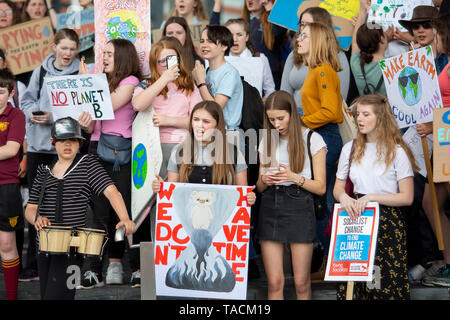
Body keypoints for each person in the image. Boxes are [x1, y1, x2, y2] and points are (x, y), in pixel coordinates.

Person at [24, 117, 134, 300]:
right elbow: (30, 208)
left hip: (71, 248)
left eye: (73, 140)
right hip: (43, 246)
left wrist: (124, 218)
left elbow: (112, 191)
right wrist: (36, 218)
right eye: (62, 140)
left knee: (60, 296)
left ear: (79, 143)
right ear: (53, 142)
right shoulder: (44, 171)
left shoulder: (88, 164)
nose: (67, 144)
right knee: (46, 296)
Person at [333, 94, 416, 299]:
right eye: (357, 114)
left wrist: (370, 197)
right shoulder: (349, 149)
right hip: (357, 219)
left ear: (380, 117)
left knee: (381, 284)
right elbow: (338, 188)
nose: (359, 119)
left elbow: (407, 197)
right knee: (355, 284)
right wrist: (343, 198)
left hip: (387, 223)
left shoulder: (397, 152)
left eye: (365, 114)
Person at [77, 38, 142, 289]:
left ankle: (137, 267)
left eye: (110, 53)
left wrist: (86, 83)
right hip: (96, 149)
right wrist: (85, 124)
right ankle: (93, 270)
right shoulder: (100, 82)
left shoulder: (131, 82)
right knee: (97, 213)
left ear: (123, 58)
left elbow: (107, 105)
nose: (103, 57)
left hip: (121, 154)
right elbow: (92, 122)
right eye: (103, 53)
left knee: (125, 210)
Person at [20, 28, 81, 282]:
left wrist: (52, 118)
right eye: (63, 48)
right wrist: (34, 112)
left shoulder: (80, 72)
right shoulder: (41, 71)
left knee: (66, 207)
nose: (67, 53)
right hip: (37, 149)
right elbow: (26, 101)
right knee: (36, 205)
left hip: (65, 151)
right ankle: (34, 262)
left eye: (72, 48)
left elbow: (82, 108)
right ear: (53, 47)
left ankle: (65, 258)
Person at [256, 91, 326, 300]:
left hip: (299, 204)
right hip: (270, 204)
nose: (276, 124)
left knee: (301, 283)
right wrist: (264, 180)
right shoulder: (267, 140)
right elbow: (259, 187)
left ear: (292, 113)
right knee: (275, 282)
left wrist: (292, 176)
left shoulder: (313, 138)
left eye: (280, 118)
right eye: (271, 119)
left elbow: (321, 187)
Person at [151, 100, 255, 205]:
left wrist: (249, 197)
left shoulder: (234, 153)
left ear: (217, 125)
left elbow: (242, 193)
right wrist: (162, 187)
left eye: (206, 121)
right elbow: (172, 193)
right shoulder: (179, 151)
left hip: (223, 217)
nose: (199, 125)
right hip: (186, 218)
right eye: (196, 120)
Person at [296, 22, 343, 255]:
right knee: (324, 200)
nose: (298, 39)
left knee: (320, 201)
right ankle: (328, 257)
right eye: (299, 35)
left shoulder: (323, 70)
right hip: (321, 136)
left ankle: (329, 255)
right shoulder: (317, 70)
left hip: (325, 137)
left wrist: (300, 122)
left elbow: (330, 112)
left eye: (304, 36)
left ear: (317, 42)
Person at [132, 38, 202, 180]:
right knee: (156, 194)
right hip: (152, 145)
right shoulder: (146, 84)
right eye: (161, 61)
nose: (166, 65)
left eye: (171, 59)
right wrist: (164, 80)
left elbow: (198, 121)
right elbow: (137, 105)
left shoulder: (189, 85)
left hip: (183, 145)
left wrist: (167, 120)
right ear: (154, 63)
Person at [414, 13, 450, 287]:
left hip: (446, 141)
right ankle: (447, 264)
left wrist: (433, 125)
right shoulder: (445, 63)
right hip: (441, 142)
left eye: (436, 32)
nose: (433, 36)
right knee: (430, 202)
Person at [280, 6, 350, 114]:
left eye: (308, 24)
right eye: (301, 24)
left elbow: (340, 99)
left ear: (320, 27)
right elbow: (284, 95)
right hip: (293, 118)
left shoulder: (337, 56)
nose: (302, 28)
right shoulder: (294, 54)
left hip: (322, 121)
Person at [191, 25, 244, 155]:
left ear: (224, 46)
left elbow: (215, 108)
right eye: (202, 41)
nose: (204, 45)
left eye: (210, 41)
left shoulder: (229, 73)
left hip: (228, 134)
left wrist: (200, 83)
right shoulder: (207, 71)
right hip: (210, 133)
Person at [0, 68, 26, 300]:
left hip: (6, 186)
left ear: (10, 92)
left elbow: (11, 149)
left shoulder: (16, 115)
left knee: (7, 244)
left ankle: (11, 296)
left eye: (0, 91)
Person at [224, 18, 275, 100]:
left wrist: (261, 103)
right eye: (230, 35)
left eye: (239, 35)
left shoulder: (260, 59)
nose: (234, 39)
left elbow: (270, 90)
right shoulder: (220, 60)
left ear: (246, 37)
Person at [241, 0, 287, 89]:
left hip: (271, 74)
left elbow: (280, 30)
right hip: (247, 73)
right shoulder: (242, 22)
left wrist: (269, 6)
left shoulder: (270, 21)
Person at [350, 1, 389, 97]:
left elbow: (354, 43)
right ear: (382, 39)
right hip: (386, 112)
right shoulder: (393, 66)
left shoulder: (356, 63)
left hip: (366, 111)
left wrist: (362, 10)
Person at [399, 5, 448, 75]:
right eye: (416, 27)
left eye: (426, 25)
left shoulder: (447, 56)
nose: (420, 30)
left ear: (436, 28)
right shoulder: (406, 59)